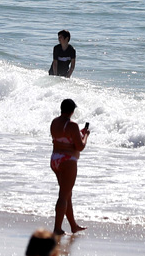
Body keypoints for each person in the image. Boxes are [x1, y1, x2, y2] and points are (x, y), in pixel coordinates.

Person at [50, 98, 89, 235]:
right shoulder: (72, 125)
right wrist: (85, 136)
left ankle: (73, 225)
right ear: (72, 111)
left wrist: (79, 133)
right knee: (64, 195)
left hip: (55, 159)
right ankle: (57, 229)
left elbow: (61, 139)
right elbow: (80, 146)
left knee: (67, 194)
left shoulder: (54, 122)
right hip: (68, 161)